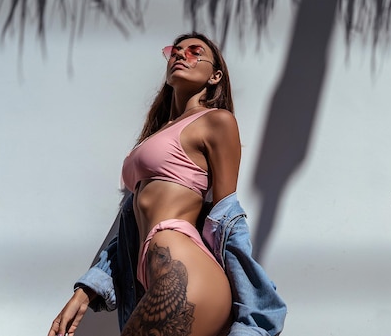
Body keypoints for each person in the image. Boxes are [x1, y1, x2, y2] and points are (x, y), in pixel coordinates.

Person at [48, 32, 286, 336]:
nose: (181, 55)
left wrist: (253, 312)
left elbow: (226, 216)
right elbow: (127, 231)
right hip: (158, 275)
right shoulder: (157, 134)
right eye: (175, 51)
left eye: (194, 51)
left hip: (187, 273)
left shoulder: (217, 121)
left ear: (215, 76)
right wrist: (86, 291)